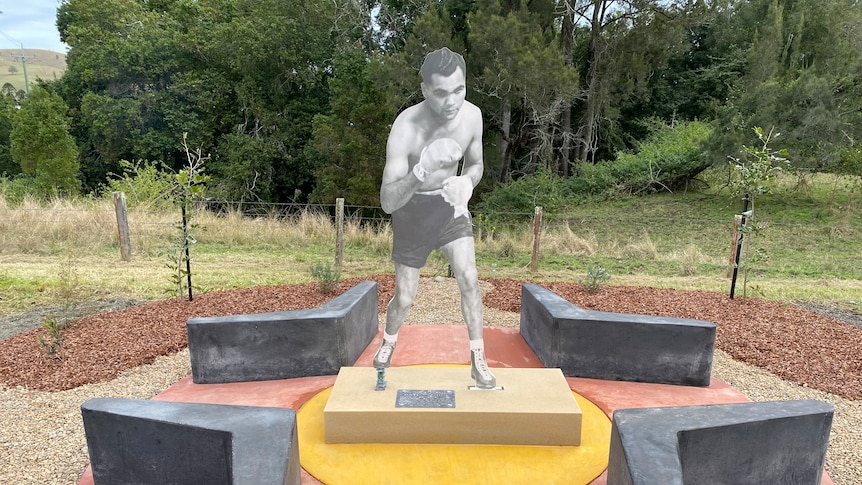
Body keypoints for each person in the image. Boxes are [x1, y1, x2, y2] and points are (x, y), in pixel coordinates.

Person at [375, 47, 496, 389]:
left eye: (459, 90)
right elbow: (387, 201)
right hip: (411, 212)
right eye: (441, 93)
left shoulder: (472, 117)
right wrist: (422, 169)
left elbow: (476, 164)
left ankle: (477, 359)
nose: (452, 101)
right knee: (405, 297)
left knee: (469, 277)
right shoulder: (406, 128)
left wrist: (466, 183)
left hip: (449, 205)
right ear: (426, 89)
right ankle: (389, 341)